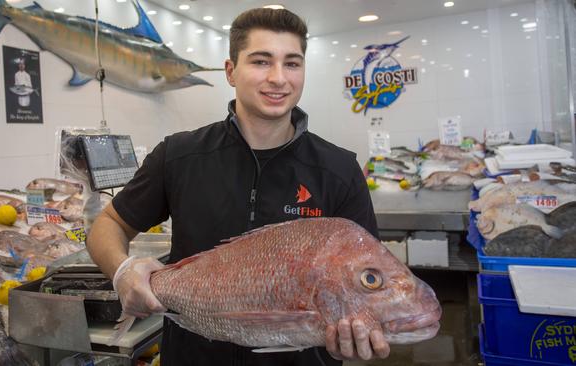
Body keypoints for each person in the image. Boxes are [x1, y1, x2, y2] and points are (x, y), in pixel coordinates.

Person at [86, 7, 389, 366]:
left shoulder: (339, 170)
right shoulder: (179, 155)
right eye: (261, 61)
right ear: (231, 71)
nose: (279, 78)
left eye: (292, 63)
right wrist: (123, 272)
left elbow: (370, 278)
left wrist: (360, 335)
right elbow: (108, 226)